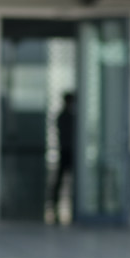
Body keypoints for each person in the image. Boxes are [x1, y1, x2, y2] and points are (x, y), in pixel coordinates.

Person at [49, 91, 75, 221]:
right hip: (66, 151)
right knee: (60, 182)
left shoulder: (71, 116)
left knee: (66, 182)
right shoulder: (65, 117)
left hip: (70, 152)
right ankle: (54, 209)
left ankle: (68, 209)